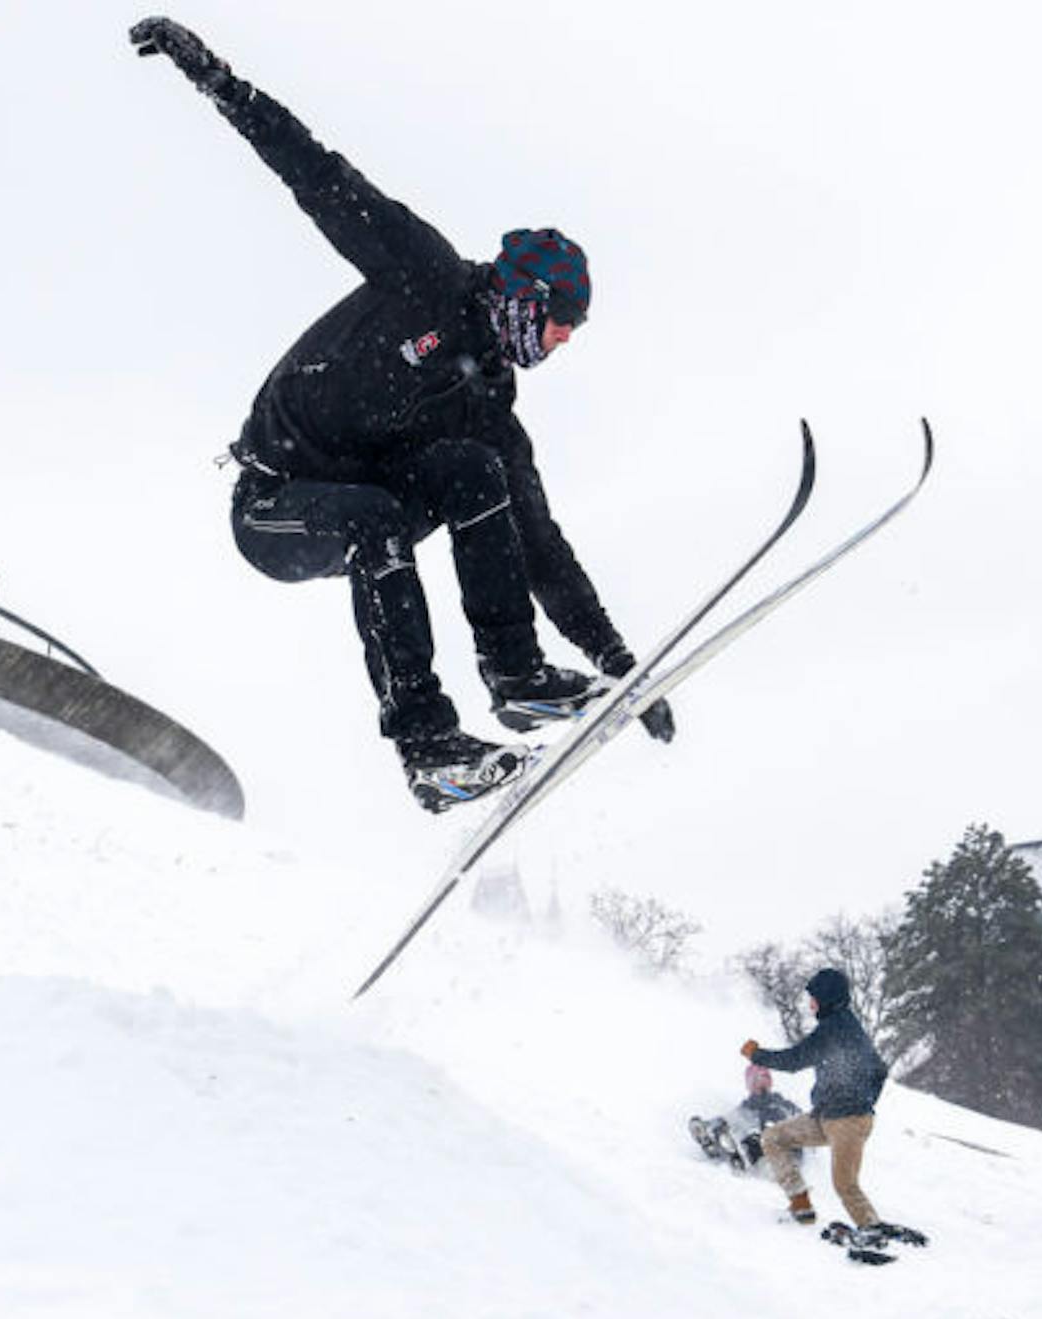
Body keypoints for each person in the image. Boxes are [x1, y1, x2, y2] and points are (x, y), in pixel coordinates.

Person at [129, 16, 674, 812]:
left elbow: (539, 543)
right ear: (526, 295)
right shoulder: (428, 275)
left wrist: (619, 666)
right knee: (377, 518)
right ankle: (428, 748)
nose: (563, 339)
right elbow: (318, 175)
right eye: (563, 319)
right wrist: (217, 80)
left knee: (478, 471)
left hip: (367, 498)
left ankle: (518, 677)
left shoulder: (487, 397)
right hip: (275, 506)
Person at [741, 967, 891, 1229]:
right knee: (773, 1138)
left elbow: (794, 1060)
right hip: (828, 1117)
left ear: (827, 998)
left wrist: (757, 1055)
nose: (810, 1004)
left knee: (845, 1185)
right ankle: (800, 1202)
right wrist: (864, 1100)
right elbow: (880, 1070)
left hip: (847, 1120)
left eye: (814, 998)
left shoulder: (834, 1028)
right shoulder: (847, 1026)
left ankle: (872, 1230)